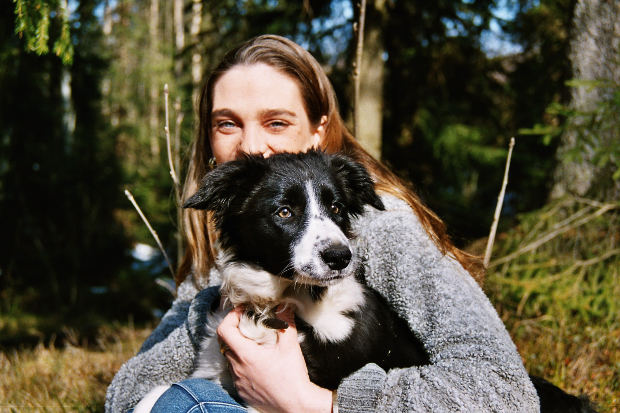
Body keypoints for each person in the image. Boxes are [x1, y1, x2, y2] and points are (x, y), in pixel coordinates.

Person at [105, 34, 539, 412]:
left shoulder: (380, 225)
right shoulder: (229, 244)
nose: (252, 145)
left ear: (318, 129)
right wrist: (219, 303)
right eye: (227, 124)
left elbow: (505, 392)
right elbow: (128, 393)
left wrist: (310, 403)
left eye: (276, 121)